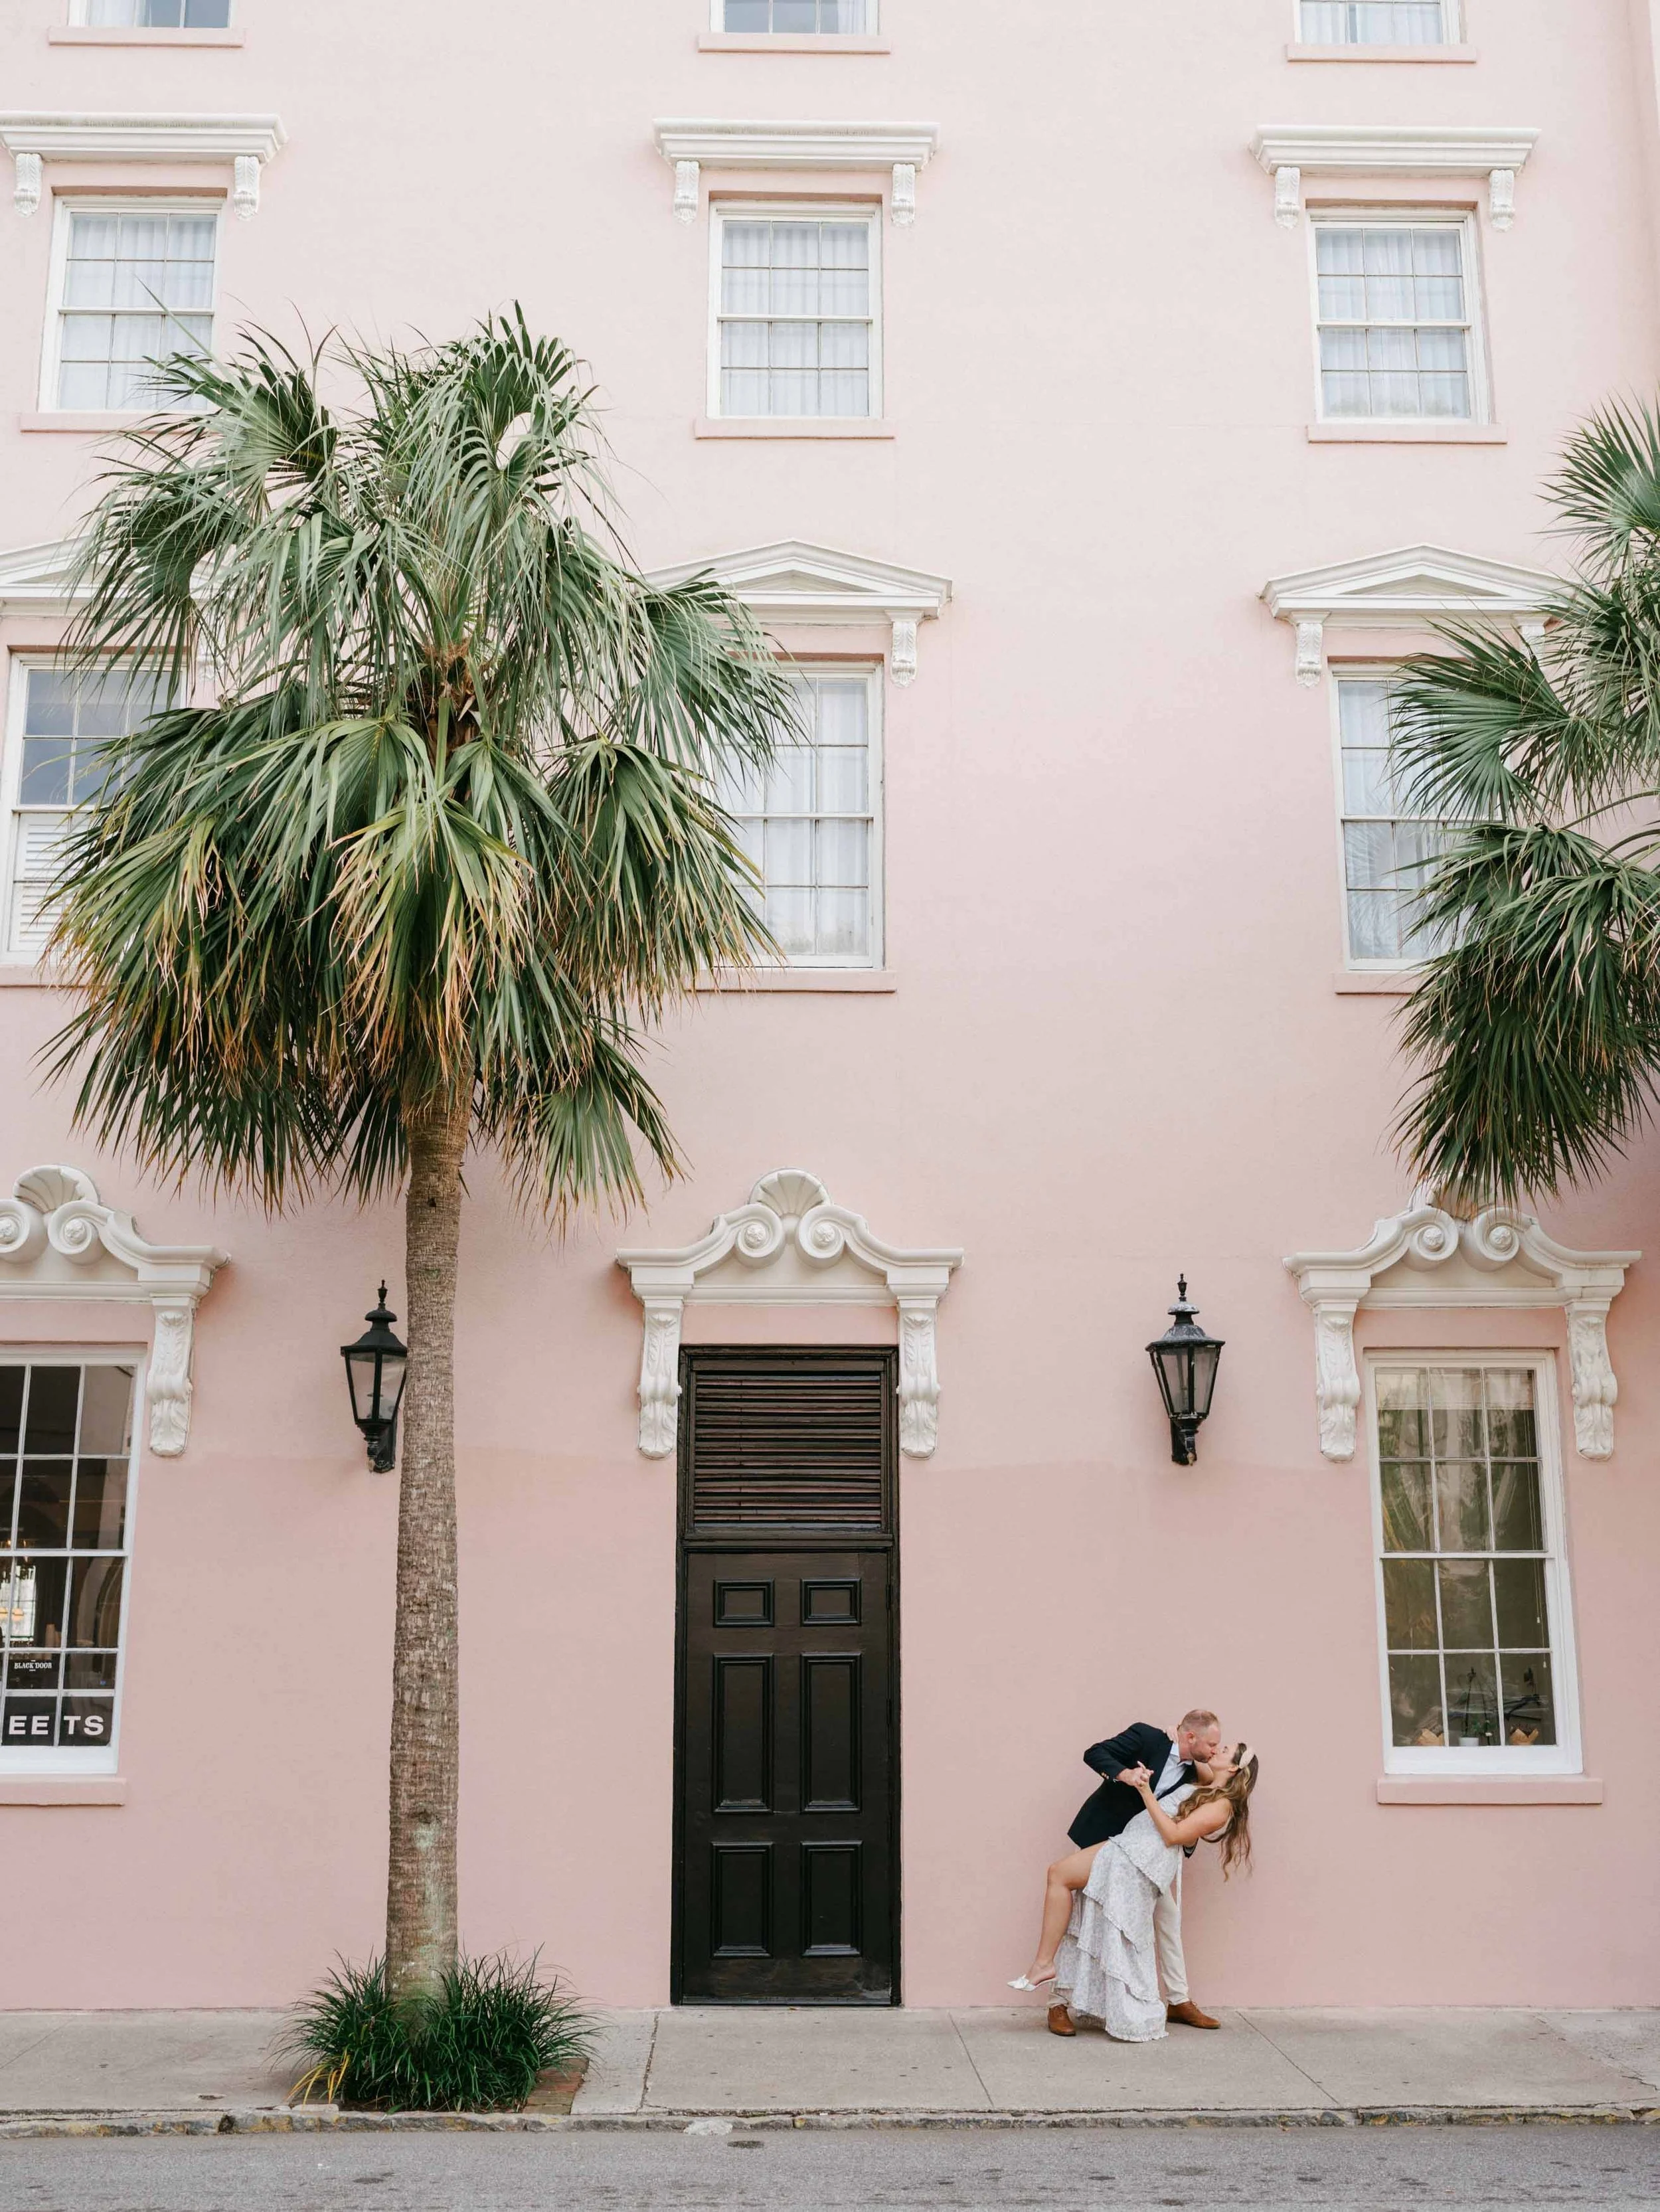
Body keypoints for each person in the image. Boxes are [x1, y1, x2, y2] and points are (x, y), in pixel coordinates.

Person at [1011, 1743, 1260, 2043]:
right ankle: (1055, 1981)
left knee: (1064, 1878)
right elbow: (1194, 1753)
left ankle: (1047, 1966)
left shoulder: (1223, 1805)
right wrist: (1176, 1738)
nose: (1218, 1749)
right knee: (1074, 1891)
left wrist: (1146, 1793)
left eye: (1225, 1749)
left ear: (1233, 1768)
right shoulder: (1209, 1784)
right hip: (1131, 1845)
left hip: (1141, 1856)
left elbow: (1174, 1835)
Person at [1056, 1709, 1222, 2034]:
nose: (1216, 1749)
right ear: (1191, 1737)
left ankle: (1179, 2000)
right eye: (1212, 1743)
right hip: (1103, 1841)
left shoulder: (1198, 1773)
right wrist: (1125, 1775)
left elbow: (1209, 1795)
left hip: (1144, 1859)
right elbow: (1095, 1753)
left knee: (1168, 1918)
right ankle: (1058, 2003)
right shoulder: (1148, 1737)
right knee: (1079, 1915)